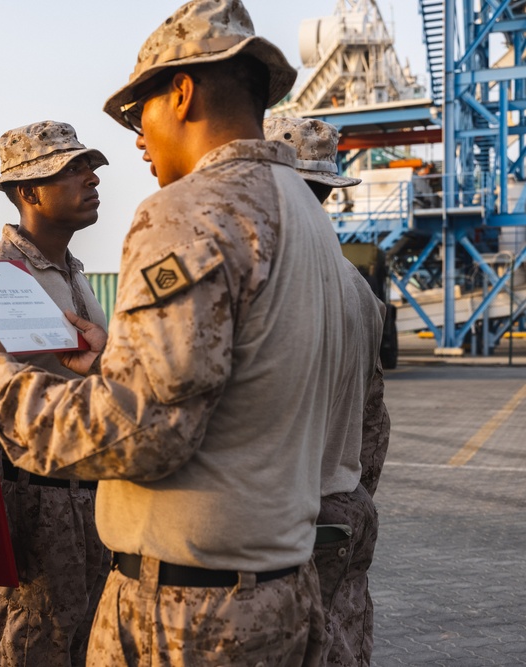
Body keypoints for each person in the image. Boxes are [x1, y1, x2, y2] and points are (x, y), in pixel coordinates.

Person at [0, 0, 369, 662]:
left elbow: (142, 433)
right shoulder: (304, 218)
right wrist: (115, 358)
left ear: (183, 92)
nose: (137, 141)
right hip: (279, 588)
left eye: (139, 116)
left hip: (187, 612)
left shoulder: (188, 212)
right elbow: (247, 375)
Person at [0, 120, 111, 666]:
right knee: (28, 652)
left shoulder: (74, 273)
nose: (91, 178)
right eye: (70, 170)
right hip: (32, 507)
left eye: (89, 166)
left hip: (96, 501)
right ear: (28, 192)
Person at [265, 116, 391, 667]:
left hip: (287, 516)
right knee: (342, 644)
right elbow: (374, 420)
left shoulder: (270, 277)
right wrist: (352, 486)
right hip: (345, 506)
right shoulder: (357, 287)